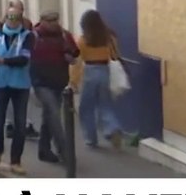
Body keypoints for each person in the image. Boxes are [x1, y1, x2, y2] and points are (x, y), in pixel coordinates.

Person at [0, 7, 34, 174]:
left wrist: (2, 61)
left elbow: (24, 59)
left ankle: (16, 160)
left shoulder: (27, 36)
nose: (12, 21)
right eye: (9, 17)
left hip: (20, 84)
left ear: (20, 19)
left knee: (20, 124)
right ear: (5, 18)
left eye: (16, 18)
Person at [30, 11, 79, 164]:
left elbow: (74, 54)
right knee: (54, 114)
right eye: (49, 21)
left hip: (59, 82)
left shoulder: (64, 35)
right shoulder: (33, 36)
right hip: (40, 82)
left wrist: (70, 57)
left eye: (55, 20)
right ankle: (65, 152)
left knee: (49, 116)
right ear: (42, 21)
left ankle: (44, 150)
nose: (53, 24)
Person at [74, 9, 124, 149]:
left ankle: (91, 138)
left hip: (89, 72)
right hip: (104, 71)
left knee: (86, 107)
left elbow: (77, 62)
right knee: (105, 104)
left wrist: (73, 81)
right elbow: (115, 55)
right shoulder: (109, 38)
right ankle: (113, 128)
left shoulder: (83, 41)